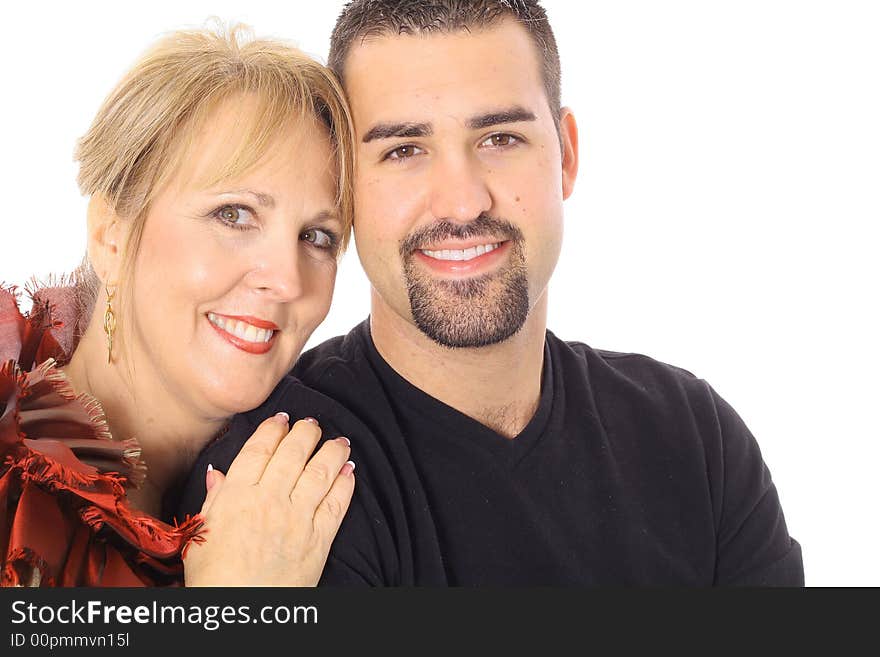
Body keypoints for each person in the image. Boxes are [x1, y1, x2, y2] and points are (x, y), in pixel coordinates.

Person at [179, 0, 804, 585]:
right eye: (404, 150)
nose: (462, 201)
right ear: (345, 189)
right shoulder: (277, 487)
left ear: (565, 155)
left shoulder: (697, 438)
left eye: (500, 139)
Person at [0, 24, 357, 586]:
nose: (288, 280)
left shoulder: (308, 482)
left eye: (317, 237)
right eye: (233, 214)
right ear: (111, 236)